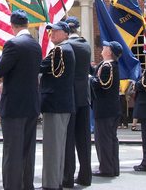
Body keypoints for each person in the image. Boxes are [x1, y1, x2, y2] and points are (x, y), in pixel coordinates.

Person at [0, 10, 42, 190]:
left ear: (12, 26)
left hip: (14, 106)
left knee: (12, 152)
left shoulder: (13, 44)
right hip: (31, 104)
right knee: (28, 151)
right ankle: (27, 185)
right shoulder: (36, 45)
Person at [40, 21, 75, 190]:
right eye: (51, 31)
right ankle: (56, 181)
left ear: (66, 33)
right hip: (61, 103)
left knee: (52, 148)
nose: (52, 34)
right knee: (58, 146)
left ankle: (50, 184)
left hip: (54, 103)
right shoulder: (65, 49)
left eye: (56, 31)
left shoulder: (59, 50)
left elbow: (41, 67)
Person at [62, 16, 92, 188]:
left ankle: (68, 176)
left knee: (69, 139)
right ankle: (85, 175)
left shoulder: (67, 47)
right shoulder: (86, 45)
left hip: (70, 97)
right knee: (84, 140)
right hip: (84, 97)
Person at [90, 41, 122, 178]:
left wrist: (90, 79)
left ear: (109, 52)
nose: (103, 48)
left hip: (105, 108)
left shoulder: (108, 66)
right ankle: (112, 167)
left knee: (103, 140)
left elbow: (103, 83)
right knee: (110, 139)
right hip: (110, 108)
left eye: (105, 47)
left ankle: (106, 168)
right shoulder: (107, 65)